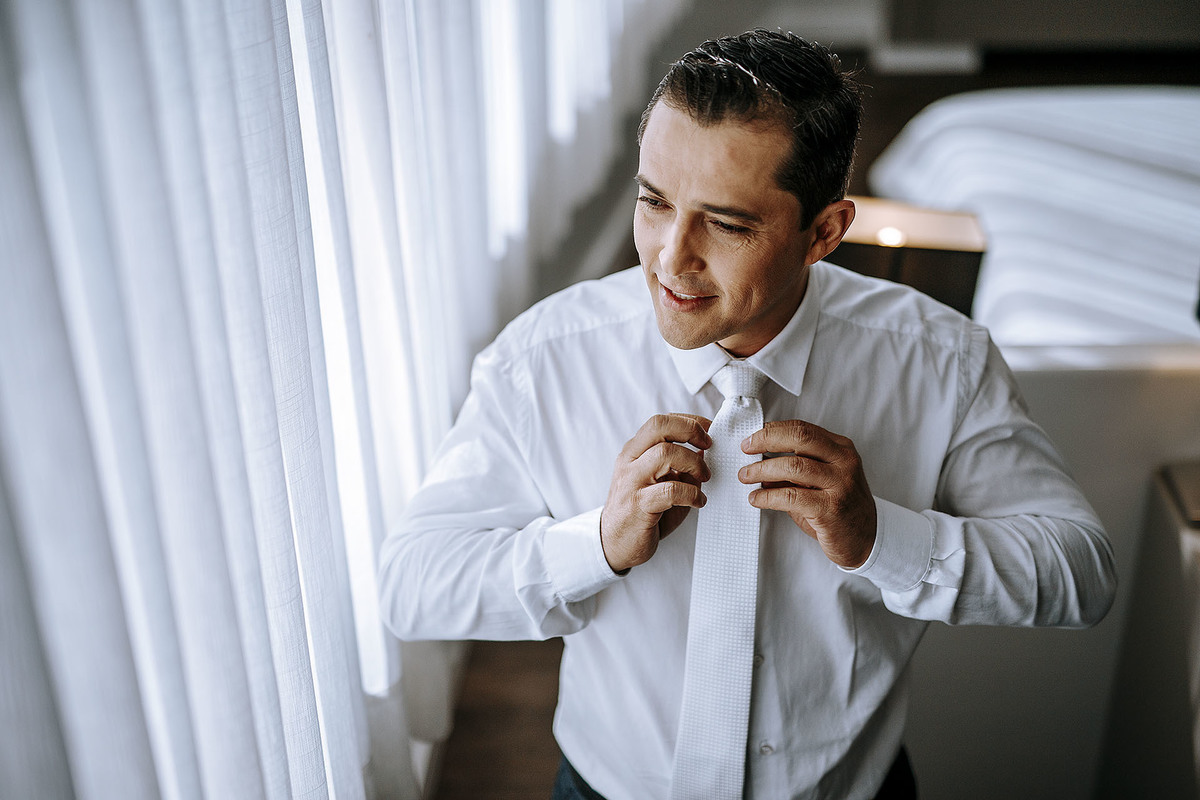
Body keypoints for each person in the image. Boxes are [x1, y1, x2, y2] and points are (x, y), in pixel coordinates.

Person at [377, 29, 1116, 800]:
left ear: (824, 232)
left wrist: (882, 541)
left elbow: (1082, 573)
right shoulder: (544, 359)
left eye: (727, 224)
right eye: (654, 202)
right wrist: (593, 544)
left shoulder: (941, 362)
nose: (670, 258)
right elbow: (413, 584)